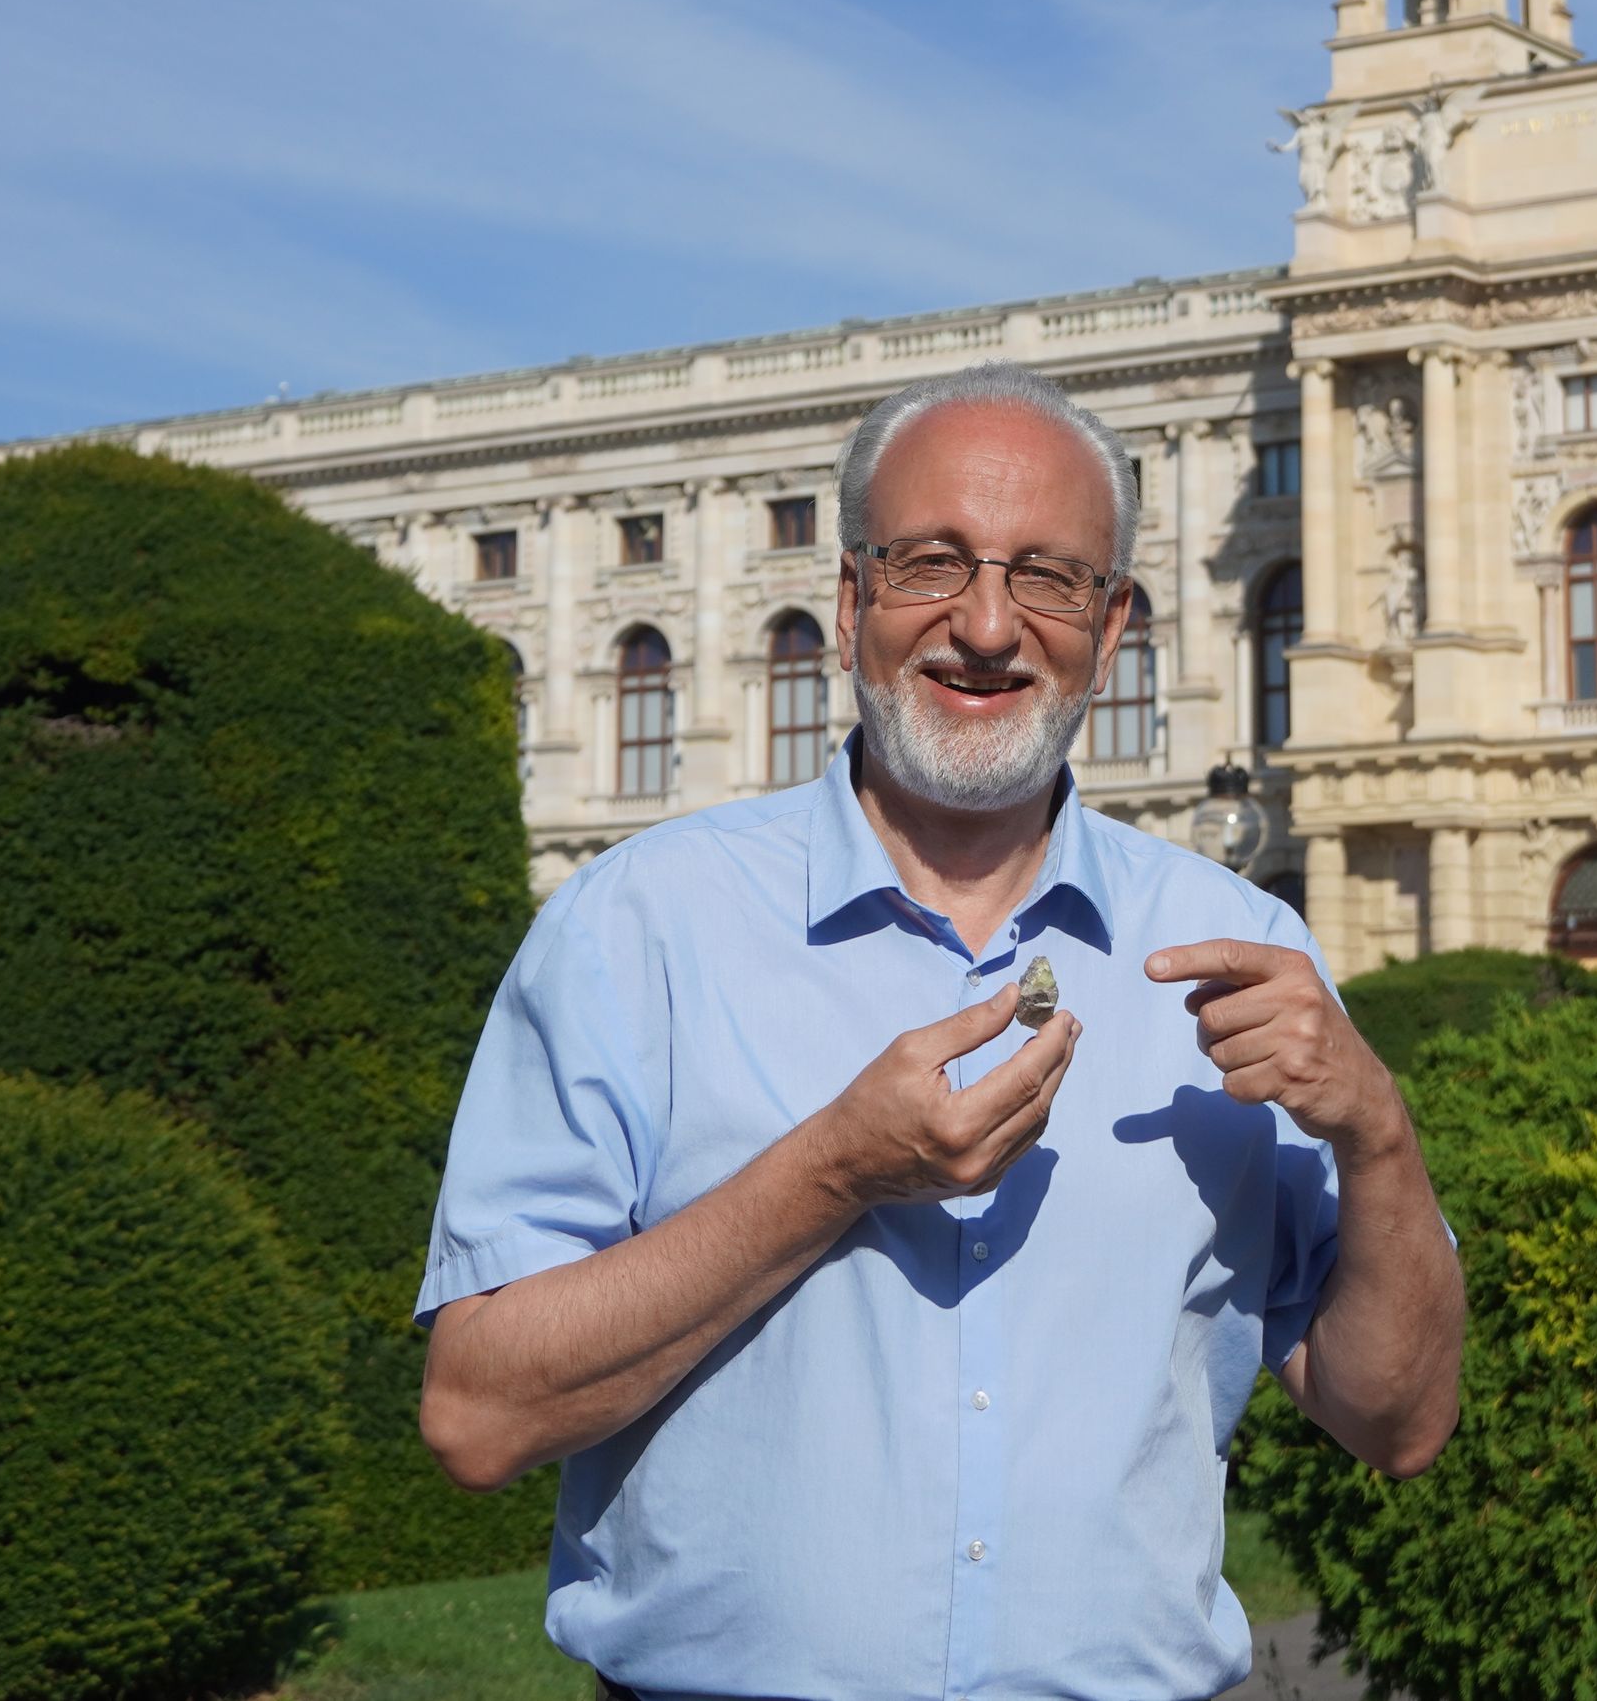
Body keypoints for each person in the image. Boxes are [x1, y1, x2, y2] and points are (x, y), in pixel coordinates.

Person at [416, 364, 1463, 1701]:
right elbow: (477, 1412)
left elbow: (1400, 1419)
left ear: (1114, 620)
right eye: (932, 566)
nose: (986, 626)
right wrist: (832, 1173)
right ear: (852, 601)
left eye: (1047, 577)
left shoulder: (1242, 945)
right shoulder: (640, 929)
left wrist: (1377, 1131)